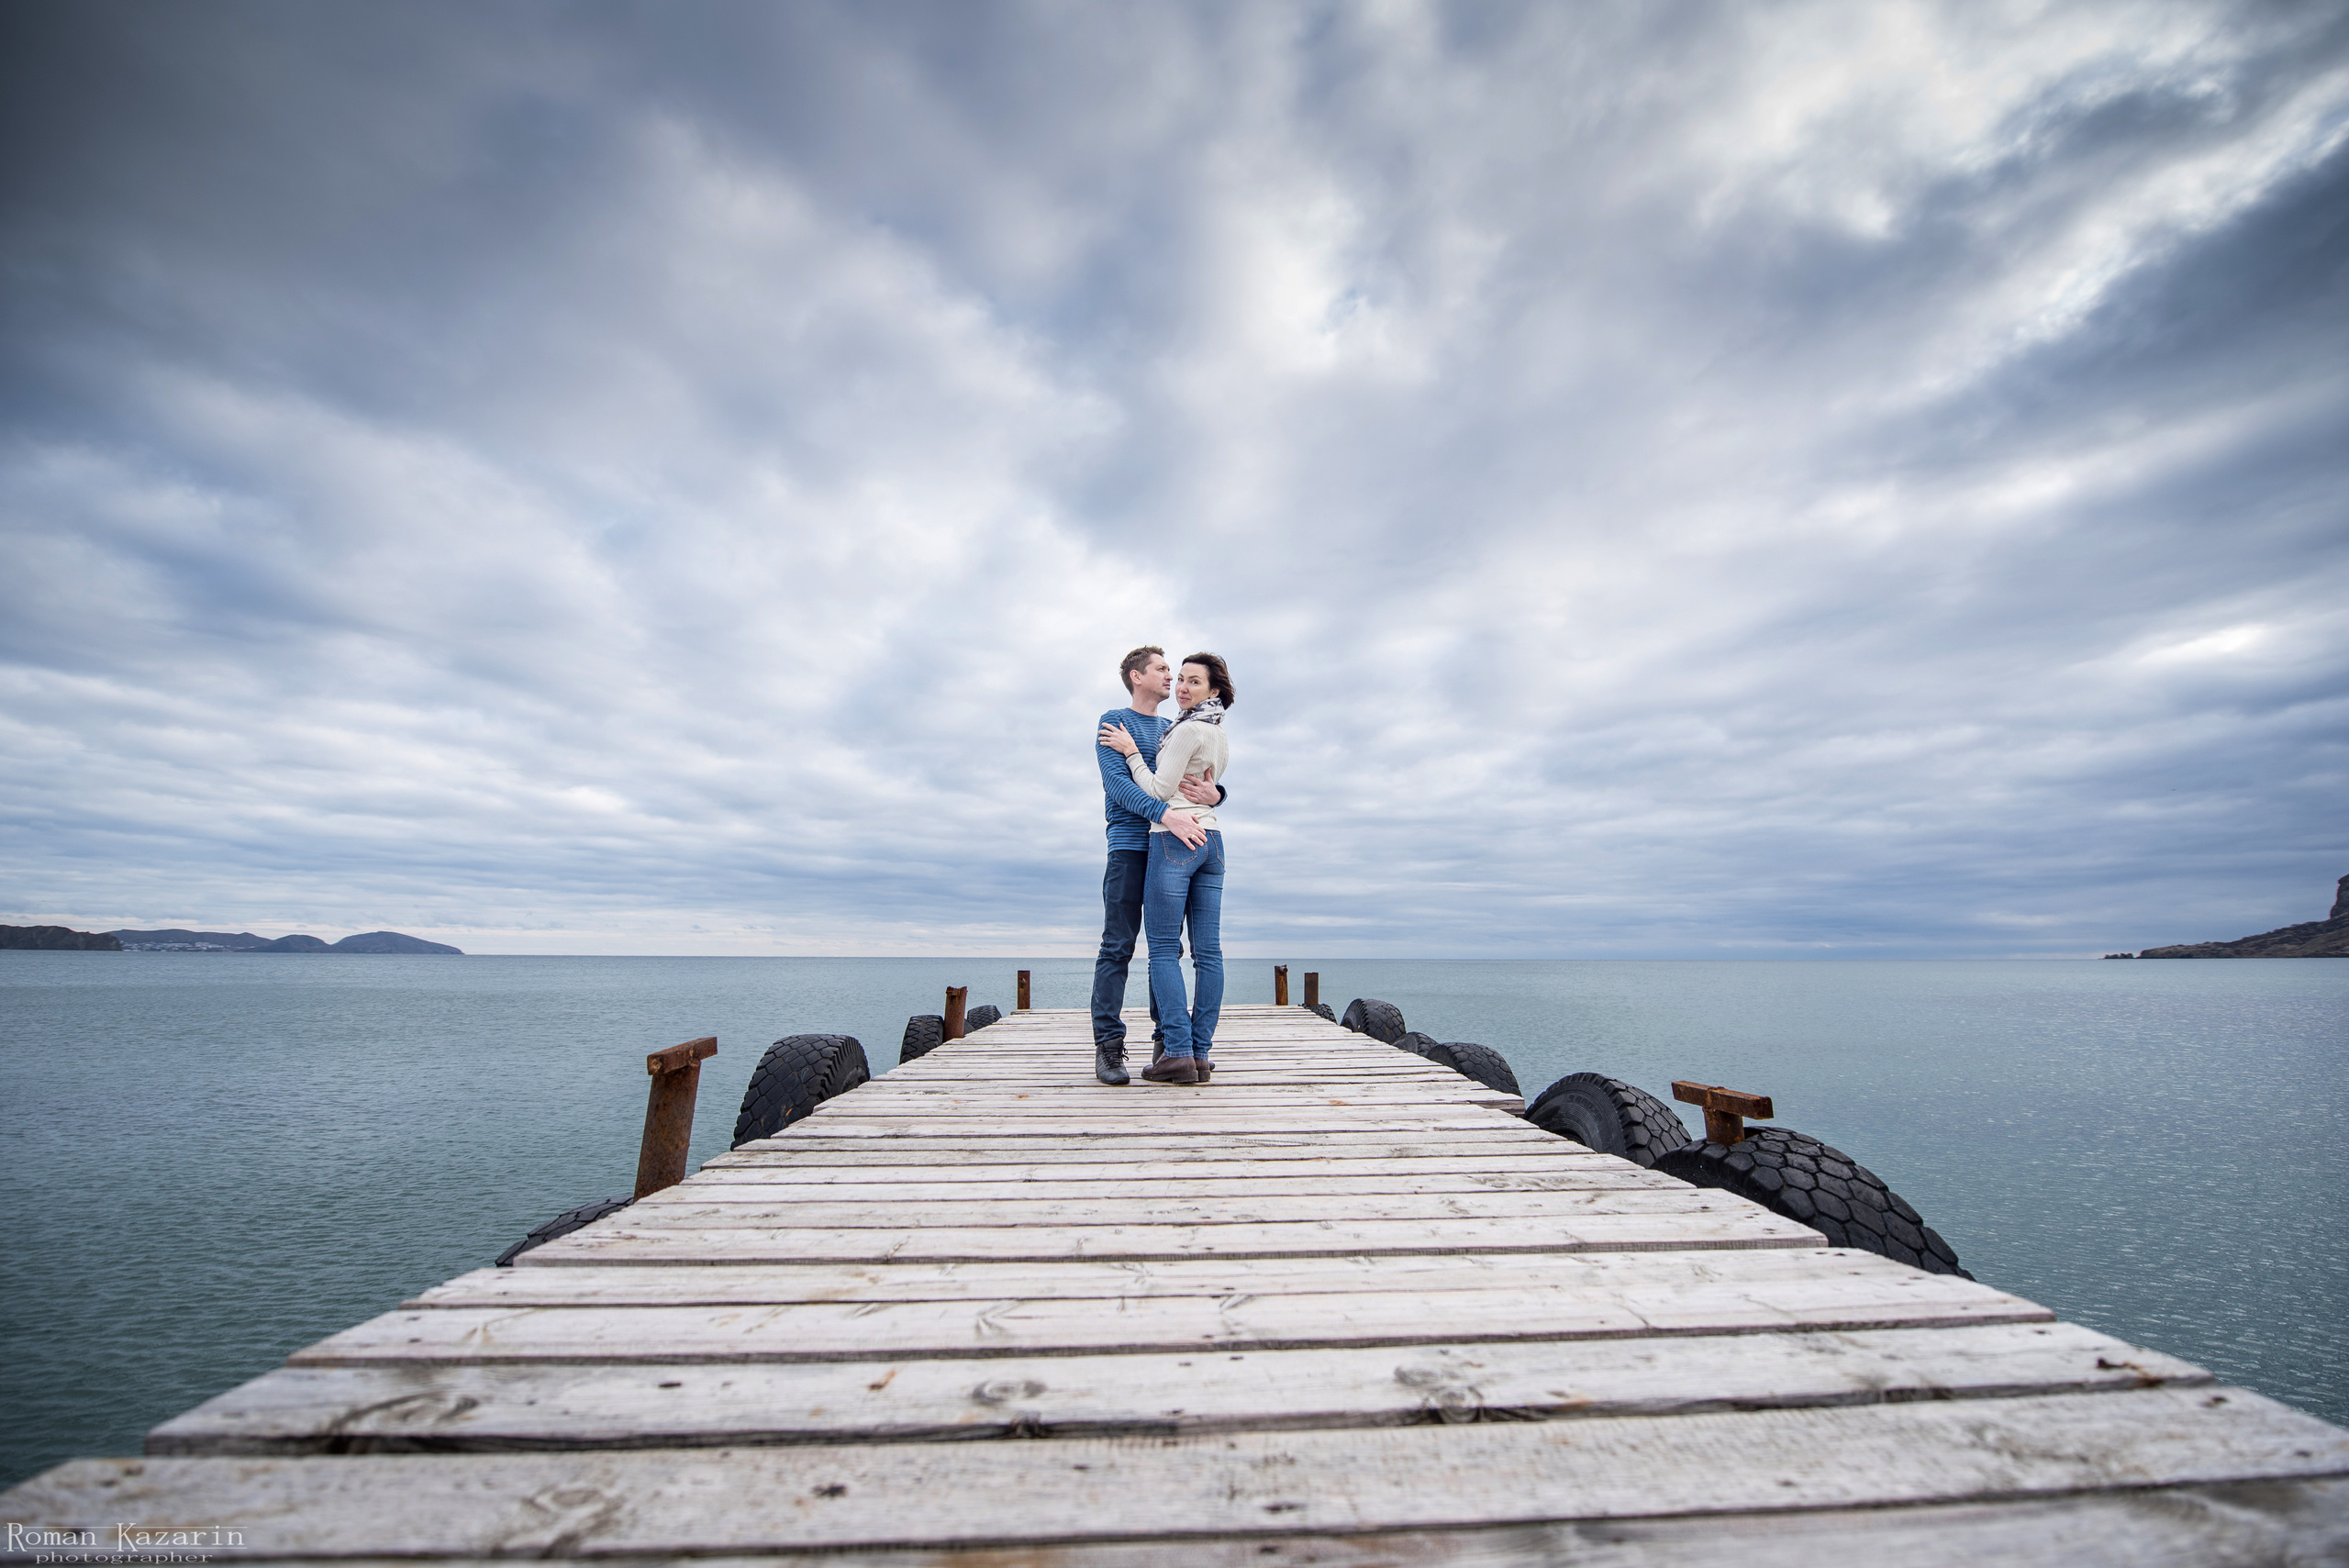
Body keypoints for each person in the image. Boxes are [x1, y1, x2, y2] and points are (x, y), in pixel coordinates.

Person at [1099, 651, 1232, 1086]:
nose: (1172, 679)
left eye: (1181, 676)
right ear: (1137, 677)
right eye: (1163, 670)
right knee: (1119, 947)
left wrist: (1218, 795)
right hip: (1132, 847)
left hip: (1174, 842)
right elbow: (1119, 787)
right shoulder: (1114, 721)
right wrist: (1168, 812)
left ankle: (1168, 1044)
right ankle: (1109, 1046)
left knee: (1168, 950)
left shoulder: (1175, 726)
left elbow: (1196, 779)